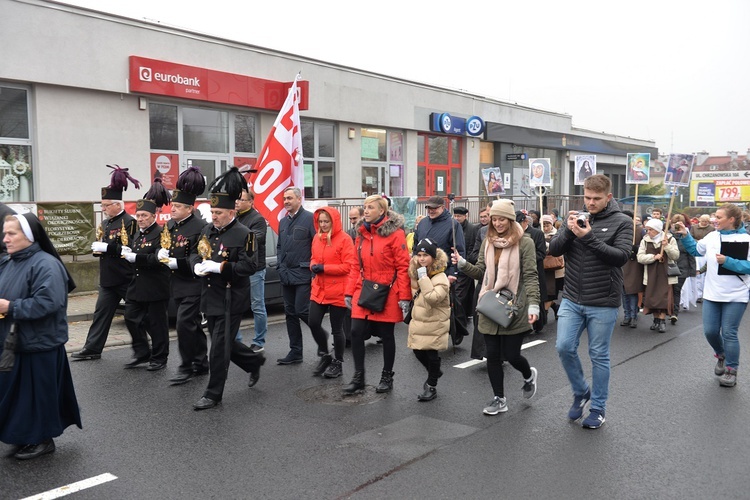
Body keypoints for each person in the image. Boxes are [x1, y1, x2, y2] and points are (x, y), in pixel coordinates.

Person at [549, 174, 632, 429]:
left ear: (608, 197)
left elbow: (620, 257)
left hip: (603, 301)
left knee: (599, 356)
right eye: (587, 197)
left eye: (596, 198)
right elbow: (554, 250)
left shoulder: (623, 222)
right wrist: (568, 228)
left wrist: (588, 237)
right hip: (572, 298)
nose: (590, 203)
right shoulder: (577, 217)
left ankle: (597, 408)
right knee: (563, 347)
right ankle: (581, 390)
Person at [0, 213, 80, 460]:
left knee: (37, 396)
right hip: (15, 342)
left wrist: (10, 307)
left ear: (29, 236)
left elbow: (48, 302)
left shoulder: (46, 264)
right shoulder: (8, 261)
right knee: (18, 396)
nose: (5, 239)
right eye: (4, 233)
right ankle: (24, 435)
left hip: (39, 343)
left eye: (11, 233)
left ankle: (42, 439)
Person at [453, 199, 540, 415]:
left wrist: (534, 306)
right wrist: (463, 264)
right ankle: (499, 399)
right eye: (495, 219)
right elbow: (481, 271)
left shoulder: (525, 242)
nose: (498, 223)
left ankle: (528, 375)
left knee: (511, 355)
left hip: (514, 306)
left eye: (502, 219)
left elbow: (530, 275)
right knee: (491, 355)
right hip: (490, 305)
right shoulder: (488, 242)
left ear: (510, 219)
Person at [191, 167, 265, 410]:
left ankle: (213, 394)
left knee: (219, 348)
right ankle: (253, 362)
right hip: (210, 295)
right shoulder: (207, 230)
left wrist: (220, 267)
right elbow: (195, 253)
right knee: (224, 342)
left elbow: (249, 266)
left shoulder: (246, 234)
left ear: (232, 212)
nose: (214, 216)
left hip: (231, 297)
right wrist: (197, 267)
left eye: (219, 212)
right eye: (212, 212)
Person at [674, 203, 750, 387]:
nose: (715, 220)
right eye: (715, 216)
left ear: (731, 219)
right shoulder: (712, 236)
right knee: (710, 331)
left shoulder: (746, 238)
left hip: (736, 295)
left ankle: (732, 370)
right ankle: (721, 353)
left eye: (719, 217)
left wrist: (728, 261)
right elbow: (696, 250)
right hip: (712, 293)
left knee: (729, 332)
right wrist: (685, 235)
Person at [342, 195, 411, 395]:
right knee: (355, 332)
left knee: (386, 334)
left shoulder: (396, 235)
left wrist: (404, 296)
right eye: (365, 207)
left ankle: (387, 375)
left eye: (370, 207)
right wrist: (348, 291)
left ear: (382, 211)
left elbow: (403, 266)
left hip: (388, 290)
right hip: (363, 289)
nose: (366, 211)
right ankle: (359, 377)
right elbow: (356, 265)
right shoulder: (361, 233)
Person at [71, 165, 139, 361]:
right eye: (102, 205)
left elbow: (131, 248)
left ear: (118, 204)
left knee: (138, 316)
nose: (103, 208)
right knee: (100, 315)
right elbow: (103, 245)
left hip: (126, 277)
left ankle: (153, 349)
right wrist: (97, 249)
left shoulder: (130, 222)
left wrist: (108, 248)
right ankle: (92, 348)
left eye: (106, 205)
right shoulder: (105, 223)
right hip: (108, 278)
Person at [160, 166, 209, 385]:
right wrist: (159, 253)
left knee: (183, 324)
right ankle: (201, 362)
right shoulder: (169, 225)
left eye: (178, 206)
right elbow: (164, 246)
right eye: (173, 205)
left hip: (193, 283)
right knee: (192, 325)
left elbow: (200, 258)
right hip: (175, 284)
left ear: (190, 208)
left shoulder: (201, 227)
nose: (173, 209)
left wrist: (176, 263)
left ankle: (186, 366)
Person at [121, 177, 172, 370]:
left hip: (156, 285)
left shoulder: (161, 234)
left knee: (157, 324)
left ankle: (160, 357)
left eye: (144, 216)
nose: (140, 219)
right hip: (137, 284)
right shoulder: (137, 234)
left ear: (153, 216)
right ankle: (142, 352)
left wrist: (137, 258)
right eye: (138, 216)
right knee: (130, 317)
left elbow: (160, 259)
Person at [309, 207, 356, 378]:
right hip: (320, 288)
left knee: (337, 329)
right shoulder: (316, 237)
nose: (323, 224)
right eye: (320, 221)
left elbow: (348, 266)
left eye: (326, 221)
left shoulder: (345, 239)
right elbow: (314, 257)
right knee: (313, 322)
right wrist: (313, 265)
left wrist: (324, 268)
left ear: (333, 221)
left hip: (338, 289)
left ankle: (338, 362)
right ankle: (325, 354)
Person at [276, 187, 318, 365]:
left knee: (302, 310)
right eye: (284, 198)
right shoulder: (283, 222)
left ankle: (323, 343)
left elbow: (317, 245)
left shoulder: (310, 219)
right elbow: (280, 246)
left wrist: (313, 268)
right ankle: (295, 351)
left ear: (299, 200)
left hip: (303, 273)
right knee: (290, 313)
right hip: (286, 274)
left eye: (290, 198)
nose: (286, 201)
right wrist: (279, 264)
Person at [407, 239, 450, 401]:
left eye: (425, 255)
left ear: (433, 257)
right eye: (419, 255)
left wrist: (423, 277)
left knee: (432, 354)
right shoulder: (417, 271)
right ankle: (435, 371)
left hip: (436, 321)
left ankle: (431, 386)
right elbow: (415, 293)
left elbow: (432, 298)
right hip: (421, 320)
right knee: (417, 350)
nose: (422, 258)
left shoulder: (441, 277)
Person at [235, 189, 269, 352]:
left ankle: (259, 341)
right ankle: (237, 339)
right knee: (236, 304)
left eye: (241, 200)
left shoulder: (258, 219)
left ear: (250, 202)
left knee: (257, 305)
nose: (237, 202)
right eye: (236, 200)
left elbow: (255, 239)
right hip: (238, 268)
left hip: (254, 269)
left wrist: (235, 236)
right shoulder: (234, 217)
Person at [637, 218, 679, 333]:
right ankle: (656, 319)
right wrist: (653, 257)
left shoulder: (669, 239)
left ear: (657, 230)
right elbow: (639, 257)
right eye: (647, 229)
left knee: (664, 298)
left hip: (665, 275)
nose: (648, 232)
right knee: (652, 298)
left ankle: (662, 321)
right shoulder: (645, 241)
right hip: (650, 274)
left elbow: (675, 256)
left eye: (650, 230)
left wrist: (667, 247)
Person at [516, 210, 547, 333]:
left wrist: (528, 258)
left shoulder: (537, 233)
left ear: (525, 222)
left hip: (534, 270)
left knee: (535, 296)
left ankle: (538, 322)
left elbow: (542, 253)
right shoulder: (513, 234)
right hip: (518, 272)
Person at [453, 206, 479, 322]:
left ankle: (459, 315)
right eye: (455, 216)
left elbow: (473, 246)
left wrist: (466, 261)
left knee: (461, 292)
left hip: (466, 264)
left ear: (465, 216)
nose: (457, 218)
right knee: (466, 291)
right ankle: (467, 312)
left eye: (459, 216)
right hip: (455, 262)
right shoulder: (452, 226)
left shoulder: (472, 229)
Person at [669, 214, 696, 323]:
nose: (675, 228)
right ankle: (666, 310)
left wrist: (692, 271)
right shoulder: (666, 237)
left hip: (682, 268)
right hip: (668, 267)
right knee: (667, 290)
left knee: (676, 290)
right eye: (673, 225)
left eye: (678, 225)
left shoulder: (687, 238)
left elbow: (691, 254)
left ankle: (674, 313)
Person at [620, 210, 644, 328]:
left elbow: (646, 245)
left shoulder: (640, 230)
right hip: (622, 263)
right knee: (624, 291)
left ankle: (634, 316)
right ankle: (627, 315)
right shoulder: (618, 229)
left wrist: (636, 248)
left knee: (632, 291)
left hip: (634, 264)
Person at [541, 214, 564, 320]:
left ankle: (544, 315)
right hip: (542, 268)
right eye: (543, 225)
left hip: (555, 269)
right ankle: (555, 306)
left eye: (547, 225)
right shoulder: (538, 234)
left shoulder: (557, 234)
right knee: (545, 293)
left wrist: (546, 245)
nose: (545, 228)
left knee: (551, 292)